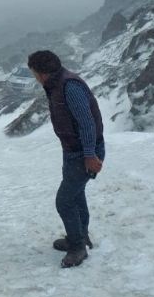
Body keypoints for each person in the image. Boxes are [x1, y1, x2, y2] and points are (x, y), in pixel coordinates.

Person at [28, 50, 105, 268]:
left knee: (64, 201)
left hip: (83, 153)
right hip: (73, 151)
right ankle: (81, 237)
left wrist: (90, 155)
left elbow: (87, 123)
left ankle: (77, 247)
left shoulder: (69, 86)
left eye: (33, 72)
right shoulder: (57, 83)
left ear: (41, 73)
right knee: (76, 194)